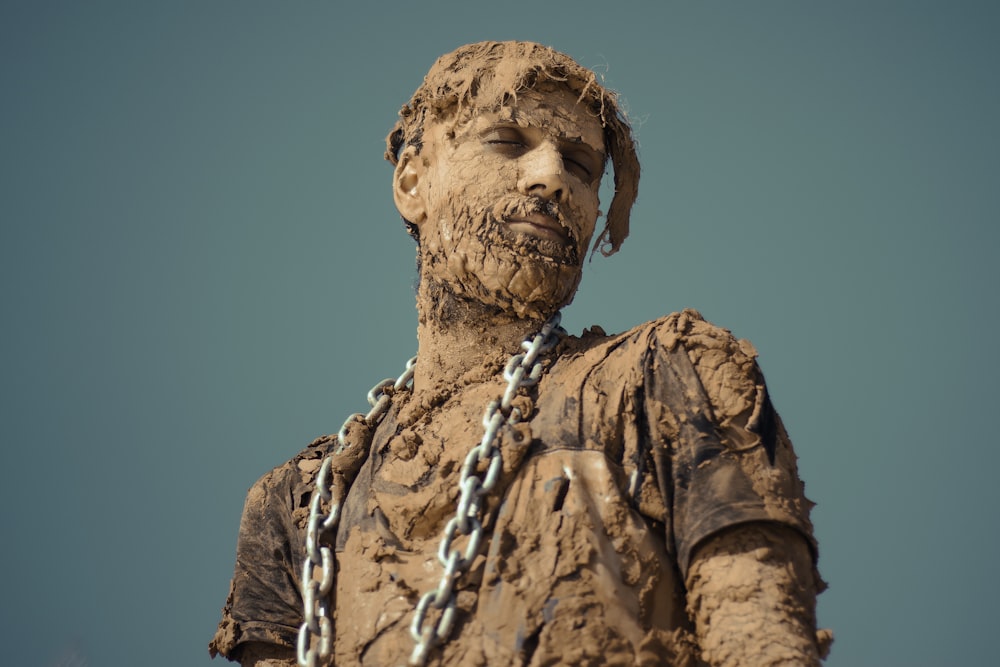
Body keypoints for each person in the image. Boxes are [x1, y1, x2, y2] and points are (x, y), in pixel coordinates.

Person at [210, 41, 831, 667]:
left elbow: (763, 642)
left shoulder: (666, 374)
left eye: (583, 166)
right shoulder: (300, 502)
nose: (552, 176)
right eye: (507, 141)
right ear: (412, 183)